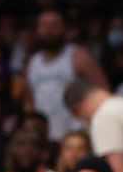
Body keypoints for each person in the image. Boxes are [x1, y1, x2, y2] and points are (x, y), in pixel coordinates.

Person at [22, 11, 105, 141]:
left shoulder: (78, 55)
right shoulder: (33, 62)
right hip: (45, 137)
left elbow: (103, 92)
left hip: (76, 134)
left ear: (65, 28)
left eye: (54, 25)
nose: (49, 31)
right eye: (44, 26)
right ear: (37, 30)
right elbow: (29, 101)